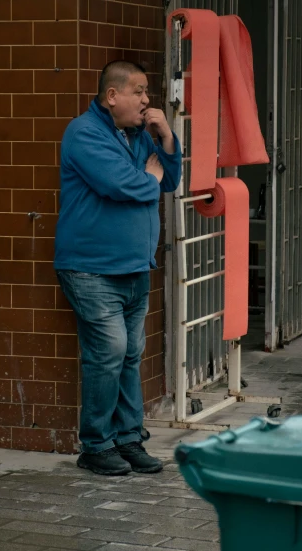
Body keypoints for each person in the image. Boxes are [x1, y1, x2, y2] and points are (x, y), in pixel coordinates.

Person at [54, 60, 182, 476]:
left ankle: (128, 439)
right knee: (108, 353)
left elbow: (167, 181)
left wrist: (165, 139)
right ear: (112, 96)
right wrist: (147, 176)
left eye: (148, 93)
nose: (148, 102)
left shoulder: (138, 136)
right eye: (139, 92)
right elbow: (122, 185)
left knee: (129, 355)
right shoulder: (84, 133)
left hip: (135, 270)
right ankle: (95, 445)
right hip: (91, 270)